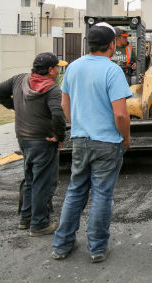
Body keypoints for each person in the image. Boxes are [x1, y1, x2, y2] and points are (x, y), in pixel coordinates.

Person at [52, 22, 132, 263]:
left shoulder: (73, 68)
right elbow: (120, 114)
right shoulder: (112, 70)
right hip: (107, 143)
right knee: (101, 195)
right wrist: (126, 138)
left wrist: (80, 124)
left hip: (80, 139)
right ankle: (97, 248)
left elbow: (65, 106)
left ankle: (61, 245)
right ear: (111, 45)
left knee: (75, 191)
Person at [0, 52, 67, 236]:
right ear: (50, 70)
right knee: (43, 182)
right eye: (57, 67)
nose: (58, 70)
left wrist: (14, 105)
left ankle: (25, 218)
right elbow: (57, 114)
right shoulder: (52, 89)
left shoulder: (20, 80)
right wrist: (59, 137)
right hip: (43, 141)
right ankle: (39, 224)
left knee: (30, 179)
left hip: (24, 139)